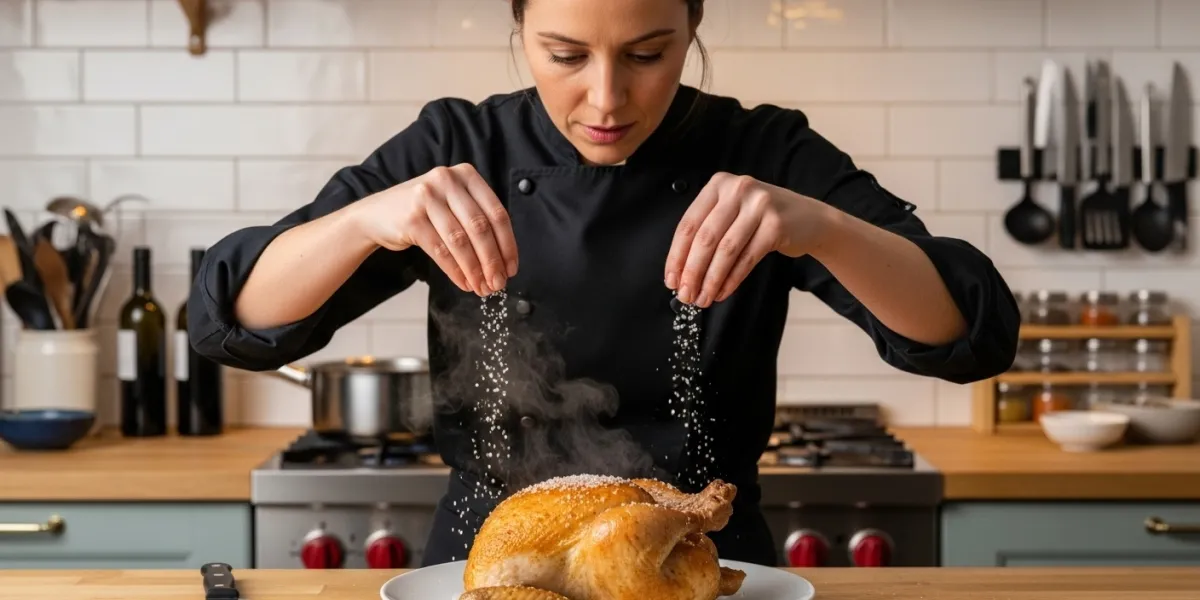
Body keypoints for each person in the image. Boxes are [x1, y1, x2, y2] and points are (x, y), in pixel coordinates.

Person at [188, 0, 1019, 568]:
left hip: (700, 553)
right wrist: (364, 219)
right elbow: (237, 320)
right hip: (493, 553)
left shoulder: (764, 151)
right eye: (565, 55)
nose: (607, 98)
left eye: (648, 54)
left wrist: (823, 227)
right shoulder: (460, 141)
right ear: (520, 28)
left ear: (695, 24)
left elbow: (966, 333)